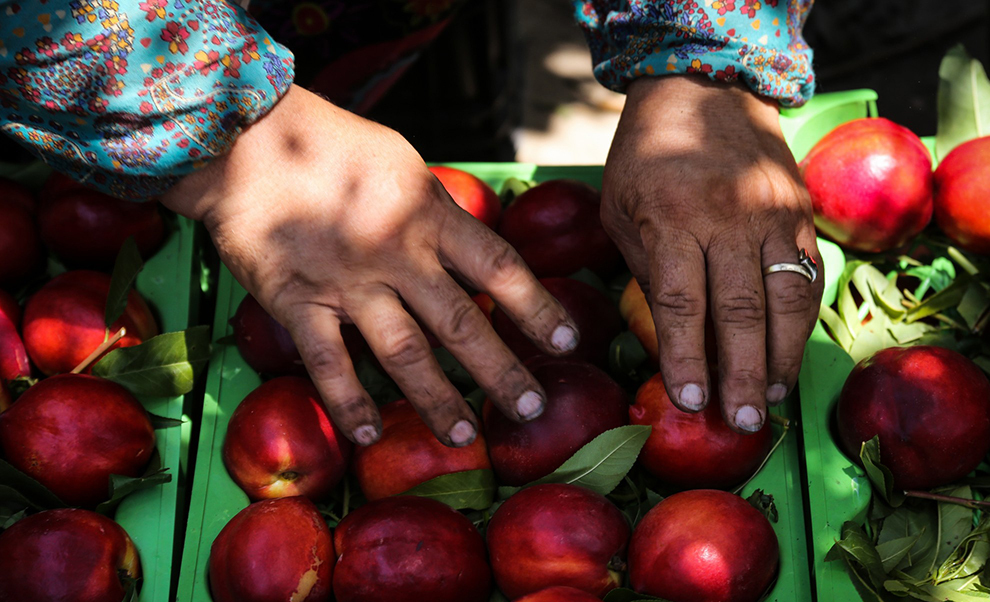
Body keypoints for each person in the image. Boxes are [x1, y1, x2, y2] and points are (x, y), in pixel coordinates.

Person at [0, 0, 822, 449]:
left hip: (394, 30)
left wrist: (704, 46)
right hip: (109, 65)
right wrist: (224, 138)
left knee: (440, 172)